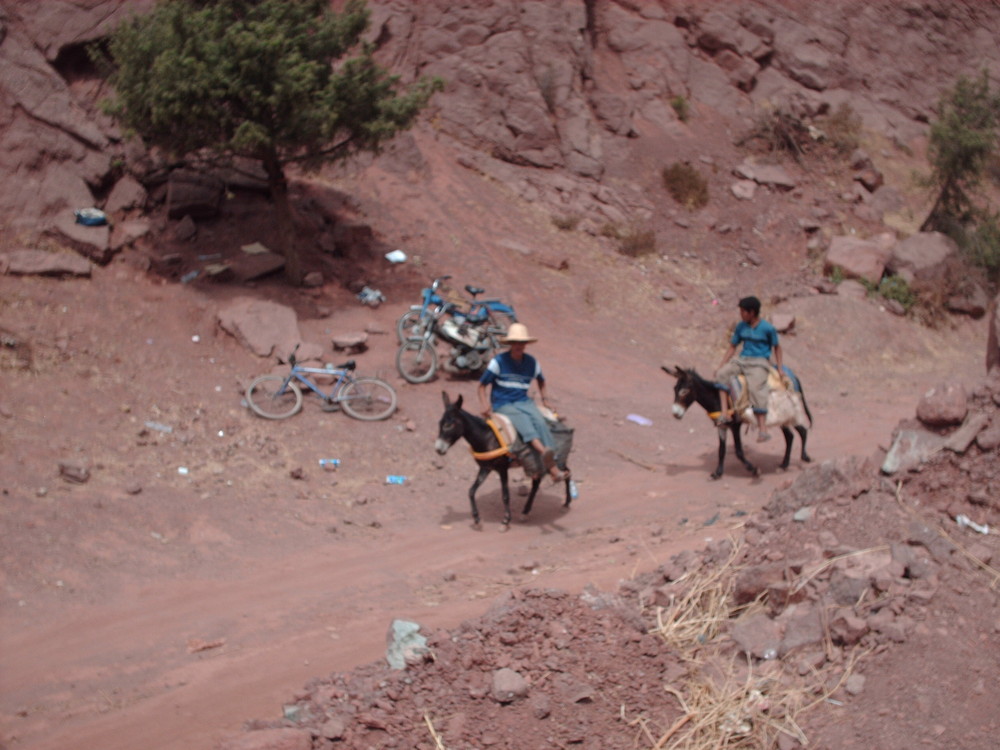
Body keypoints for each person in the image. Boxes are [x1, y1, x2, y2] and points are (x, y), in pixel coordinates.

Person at [478, 323, 568, 482]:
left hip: (523, 401)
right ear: (510, 344)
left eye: (521, 343)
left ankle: (550, 454)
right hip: (503, 403)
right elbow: (482, 386)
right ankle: (551, 465)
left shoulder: (532, 363)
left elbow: (541, 381)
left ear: (526, 344)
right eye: (515, 343)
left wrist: (545, 400)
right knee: (525, 424)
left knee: (540, 421)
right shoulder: (498, 362)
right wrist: (485, 405)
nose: (518, 346)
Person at [714, 295, 782, 442]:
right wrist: (721, 365)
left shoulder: (767, 328)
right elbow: (733, 346)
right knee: (721, 375)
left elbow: (777, 347)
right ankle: (725, 413)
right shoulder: (741, 326)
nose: (741, 315)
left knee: (756, 388)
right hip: (742, 359)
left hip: (759, 361)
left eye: (743, 312)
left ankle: (763, 429)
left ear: (752, 313)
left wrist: (780, 368)